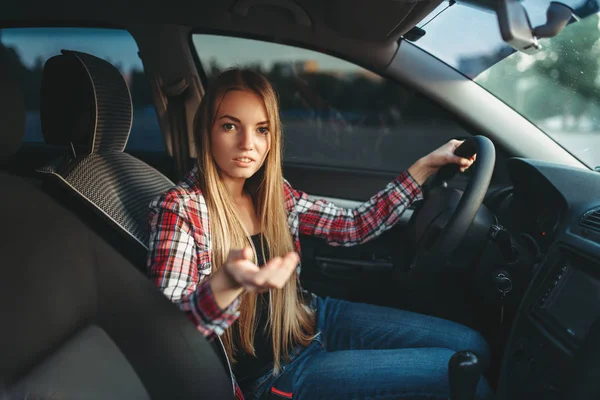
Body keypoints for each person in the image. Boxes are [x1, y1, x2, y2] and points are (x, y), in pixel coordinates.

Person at [147, 68, 492, 400]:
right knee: (459, 376)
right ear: (205, 132)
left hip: (310, 318)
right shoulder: (180, 209)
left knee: (473, 345)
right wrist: (225, 285)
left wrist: (427, 165)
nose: (247, 144)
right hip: (276, 374)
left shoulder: (273, 193)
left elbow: (354, 225)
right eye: (229, 126)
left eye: (262, 129)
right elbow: (173, 336)